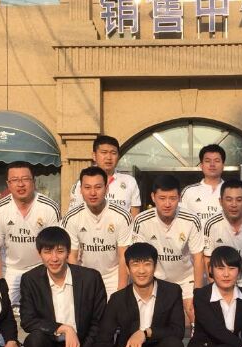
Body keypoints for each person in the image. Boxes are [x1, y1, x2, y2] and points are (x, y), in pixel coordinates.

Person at [20, 226, 107, 347]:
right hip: (49, 346)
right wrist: (63, 328)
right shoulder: (30, 280)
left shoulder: (90, 278)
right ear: (39, 254)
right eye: (47, 252)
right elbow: (27, 320)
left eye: (60, 251)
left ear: (68, 252)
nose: (54, 258)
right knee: (33, 340)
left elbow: (99, 322)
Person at [0, 161, 60, 306]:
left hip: (41, 269)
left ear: (33, 181)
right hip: (9, 270)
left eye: (25, 179)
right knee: (0, 308)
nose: (20, 184)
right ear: (8, 184)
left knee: (47, 310)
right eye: (15, 180)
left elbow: (57, 247)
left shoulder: (49, 208)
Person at [132, 175, 205, 325]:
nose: (167, 204)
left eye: (172, 198)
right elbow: (139, 259)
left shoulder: (191, 219)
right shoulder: (141, 220)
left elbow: (198, 257)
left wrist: (197, 292)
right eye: (162, 198)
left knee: (195, 314)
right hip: (156, 279)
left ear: (179, 198)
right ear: (153, 197)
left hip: (185, 279)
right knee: (150, 321)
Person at [62, 166, 132, 297]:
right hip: (85, 278)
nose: (93, 193)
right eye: (87, 187)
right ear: (80, 190)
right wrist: (77, 287)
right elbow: (72, 256)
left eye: (98, 187)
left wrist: (121, 291)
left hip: (113, 278)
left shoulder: (122, 216)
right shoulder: (71, 218)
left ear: (107, 189)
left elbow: (123, 255)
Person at [67, 134, 141, 217]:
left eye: (113, 153)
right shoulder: (81, 183)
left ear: (118, 157)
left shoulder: (130, 181)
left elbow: (135, 218)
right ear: (94, 156)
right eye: (104, 152)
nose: (109, 157)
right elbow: (73, 215)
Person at [180, 144, 225, 224]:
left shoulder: (233, 191)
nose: (212, 164)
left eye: (217, 161)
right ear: (201, 165)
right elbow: (181, 221)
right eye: (207, 161)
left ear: (223, 165)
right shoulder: (188, 191)